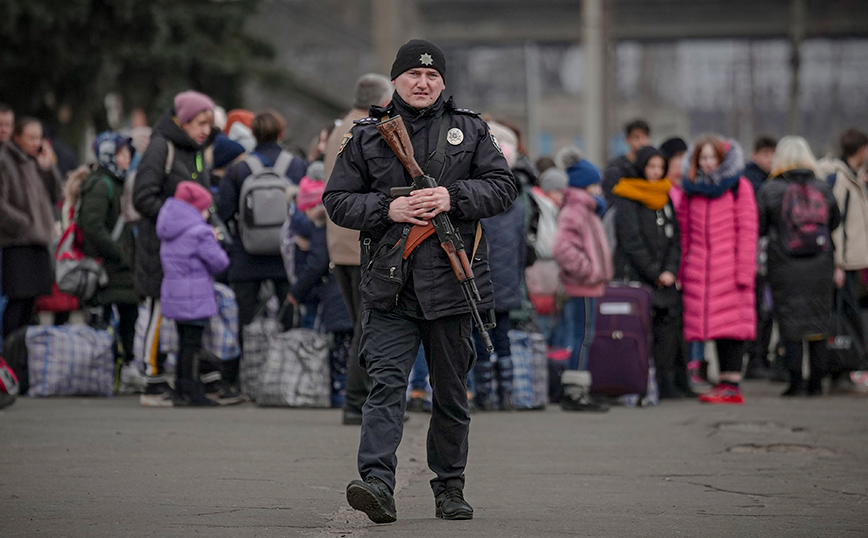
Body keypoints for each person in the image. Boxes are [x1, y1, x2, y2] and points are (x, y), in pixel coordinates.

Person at [323, 39, 516, 523]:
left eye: (431, 76)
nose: (423, 83)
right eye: (413, 75)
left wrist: (452, 197)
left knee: (450, 394)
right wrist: (386, 208)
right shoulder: (366, 135)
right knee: (385, 386)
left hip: (454, 284)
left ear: (443, 83)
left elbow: (503, 188)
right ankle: (377, 484)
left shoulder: (470, 130)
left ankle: (450, 488)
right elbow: (337, 200)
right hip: (390, 283)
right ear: (396, 81)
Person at [133, 90, 219, 406]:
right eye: (200, 123)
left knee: (181, 316)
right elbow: (142, 197)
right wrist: (184, 221)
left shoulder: (194, 151)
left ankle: (182, 380)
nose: (205, 130)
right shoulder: (161, 147)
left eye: (209, 124)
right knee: (157, 310)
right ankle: (151, 381)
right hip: (160, 247)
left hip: (186, 251)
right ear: (182, 121)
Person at [216, 110, 307, 384]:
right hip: (285, 255)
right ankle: (288, 378)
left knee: (242, 320)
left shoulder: (239, 168)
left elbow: (224, 211)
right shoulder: (297, 165)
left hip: (247, 254)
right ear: (281, 133)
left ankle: (235, 380)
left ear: (252, 135)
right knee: (288, 316)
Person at [323, 73, 393, 425]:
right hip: (362, 240)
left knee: (360, 325)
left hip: (339, 243)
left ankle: (363, 400)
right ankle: (356, 402)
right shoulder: (368, 129)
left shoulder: (338, 128)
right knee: (368, 327)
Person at [756, 136, 840, 397]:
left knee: (790, 320)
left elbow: (759, 226)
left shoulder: (770, 189)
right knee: (818, 320)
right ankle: (816, 381)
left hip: (784, 262)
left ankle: (795, 382)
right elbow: (835, 221)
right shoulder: (822, 187)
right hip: (820, 261)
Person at [678, 135, 758, 405]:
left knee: (732, 328)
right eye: (703, 157)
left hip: (731, 270)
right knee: (710, 328)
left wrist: (745, 272)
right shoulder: (691, 190)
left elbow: (748, 231)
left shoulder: (739, 186)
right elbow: (684, 234)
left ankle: (732, 384)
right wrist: (682, 269)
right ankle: (720, 381)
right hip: (700, 269)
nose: (708, 163)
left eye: (713, 157)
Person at [612, 146, 693, 399]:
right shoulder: (627, 195)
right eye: (651, 167)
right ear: (642, 167)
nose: (656, 172)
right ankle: (643, 381)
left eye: (660, 167)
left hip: (665, 279)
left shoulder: (664, 195)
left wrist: (670, 270)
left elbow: (675, 239)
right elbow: (630, 241)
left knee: (671, 329)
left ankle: (672, 381)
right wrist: (655, 272)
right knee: (642, 332)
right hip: (639, 278)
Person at [77, 132, 142, 392]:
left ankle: (124, 368)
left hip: (120, 269)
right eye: (121, 153)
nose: (127, 158)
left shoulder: (117, 182)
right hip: (109, 267)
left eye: (128, 153)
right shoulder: (102, 184)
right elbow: (91, 225)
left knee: (129, 317)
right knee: (108, 319)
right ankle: (107, 370)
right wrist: (119, 253)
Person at [156, 181, 230, 406]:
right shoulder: (200, 232)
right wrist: (216, 239)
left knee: (183, 343)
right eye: (206, 208)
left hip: (174, 294)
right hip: (195, 296)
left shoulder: (169, 228)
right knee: (193, 346)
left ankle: (181, 387)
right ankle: (192, 390)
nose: (208, 213)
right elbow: (220, 262)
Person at [551, 159, 613, 411]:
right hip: (582, 285)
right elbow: (561, 247)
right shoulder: (576, 210)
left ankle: (578, 388)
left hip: (587, 285)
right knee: (581, 336)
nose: (598, 190)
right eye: (594, 185)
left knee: (582, 335)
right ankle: (574, 391)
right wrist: (587, 270)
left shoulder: (585, 209)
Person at [0, 117, 62, 338]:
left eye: (39, 137)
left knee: (31, 304)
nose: (37, 142)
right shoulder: (6, 160)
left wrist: (48, 167)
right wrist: (23, 223)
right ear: (18, 138)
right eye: (31, 137)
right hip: (18, 243)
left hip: (38, 242)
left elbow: (57, 194)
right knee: (17, 303)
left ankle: (19, 356)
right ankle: (7, 356)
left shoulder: (35, 162)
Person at [818, 128, 868, 390]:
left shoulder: (853, 178)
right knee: (842, 318)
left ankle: (844, 368)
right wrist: (836, 263)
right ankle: (838, 369)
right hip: (843, 262)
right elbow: (835, 225)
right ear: (862, 150)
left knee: (849, 316)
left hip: (853, 261)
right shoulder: (840, 179)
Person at [743, 135, 779, 380]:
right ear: (755, 155)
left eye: (772, 154)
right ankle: (754, 357)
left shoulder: (773, 181)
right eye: (765, 154)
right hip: (755, 255)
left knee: (767, 308)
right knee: (758, 308)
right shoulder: (750, 182)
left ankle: (762, 356)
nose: (770, 159)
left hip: (769, 254)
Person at [603, 119, 650, 204]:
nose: (641, 142)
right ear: (627, 139)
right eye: (636, 137)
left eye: (644, 137)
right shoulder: (616, 167)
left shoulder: (653, 166)